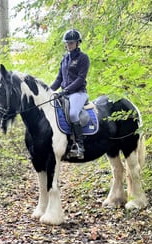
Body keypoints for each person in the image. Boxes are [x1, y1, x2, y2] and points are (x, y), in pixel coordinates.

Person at [50, 29, 90, 159]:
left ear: (78, 43)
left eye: (71, 43)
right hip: (65, 94)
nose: (68, 45)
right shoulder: (65, 59)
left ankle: (80, 146)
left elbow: (81, 78)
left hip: (78, 93)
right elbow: (58, 79)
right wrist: (48, 90)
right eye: (67, 43)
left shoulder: (83, 58)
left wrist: (66, 90)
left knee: (73, 114)